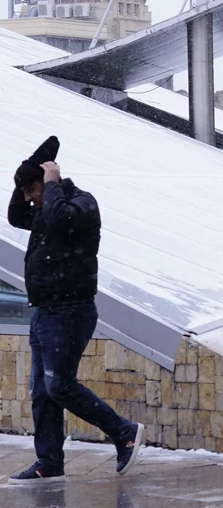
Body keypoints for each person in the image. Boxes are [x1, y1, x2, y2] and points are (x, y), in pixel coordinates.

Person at [7, 137, 145, 484]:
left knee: (59, 385)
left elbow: (56, 216)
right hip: (43, 312)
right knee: (42, 391)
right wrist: (30, 168)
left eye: (32, 190)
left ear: (50, 184)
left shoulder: (80, 205)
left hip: (71, 311)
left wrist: (51, 183)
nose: (29, 199)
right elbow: (15, 216)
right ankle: (49, 462)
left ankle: (125, 432)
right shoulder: (42, 208)